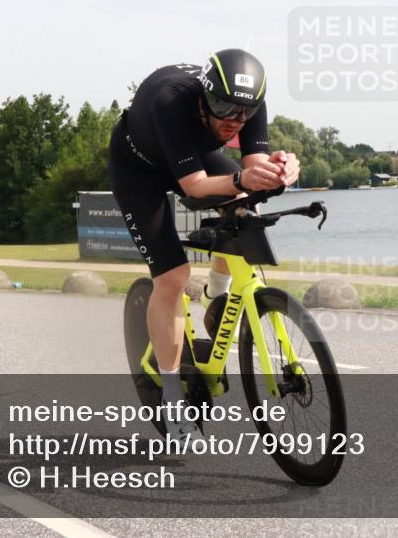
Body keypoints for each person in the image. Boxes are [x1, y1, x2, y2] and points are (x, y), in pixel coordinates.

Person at [108, 48, 299, 439]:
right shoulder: (171, 101)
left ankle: (218, 295)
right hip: (139, 168)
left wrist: (281, 171)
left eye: (243, 113)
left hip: (194, 155)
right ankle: (173, 395)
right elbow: (193, 186)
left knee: (247, 213)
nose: (234, 121)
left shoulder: (247, 105)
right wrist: (244, 182)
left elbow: (251, 172)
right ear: (204, 97)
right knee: (173, 276)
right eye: (223, 108)